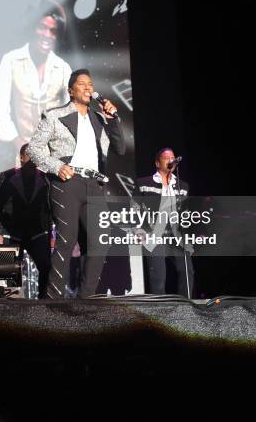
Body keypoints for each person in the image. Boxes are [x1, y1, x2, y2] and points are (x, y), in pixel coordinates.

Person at [28, 69, 126, 298]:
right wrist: (56, 167)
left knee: (99, 241)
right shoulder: (55, 115)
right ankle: (52, 300)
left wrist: (113, 120)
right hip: (67, 182)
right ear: (71, 90)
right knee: (67, 239)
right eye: (82, 84)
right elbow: (34, 147)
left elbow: (120, 149)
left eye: (90, 84)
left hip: (94, 184)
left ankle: (86, 300)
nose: (88, 87)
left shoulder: (101, 119)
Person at [0, 0, 72, 164]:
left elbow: (70, 115)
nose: (47, 35)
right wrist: (20, 145)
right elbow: (0, 110)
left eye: (53, 31)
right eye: (42, 27)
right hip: (23, 153)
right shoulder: (11, 60)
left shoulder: (63, 68)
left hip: (56, 158)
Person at [0, 143, 52, 298]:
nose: (32, 158)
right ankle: (14, 298)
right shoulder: (7, 176)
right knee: (13, 269)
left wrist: (51, 232)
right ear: (21, 157)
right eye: (29, 155)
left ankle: (43, 299)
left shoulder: (46, 179)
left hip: (37, 231)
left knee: (45, 266)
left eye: (35, 155)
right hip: (14, 231)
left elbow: (50, 207)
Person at [136, 148, 194, 297]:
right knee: (158, 279)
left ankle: (185, 308)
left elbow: (185, 216)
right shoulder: (143, 183)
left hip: (176, 237)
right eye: (166, 157)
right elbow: (133, 210)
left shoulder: (183, 186)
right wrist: (140, 231)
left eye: (173, 157)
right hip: (154, 236)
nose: (171, 160)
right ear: (157, 163)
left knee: (187, 273)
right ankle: (160, 311)